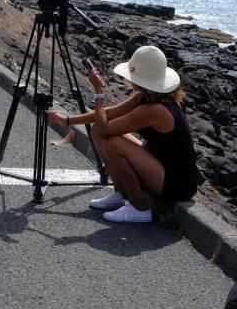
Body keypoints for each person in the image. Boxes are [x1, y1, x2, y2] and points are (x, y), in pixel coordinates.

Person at [48, 45, 202, 224]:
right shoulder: (147, 97)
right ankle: (120, 194)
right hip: (160, 164)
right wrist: (66, 120)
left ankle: (139, 208)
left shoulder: (156, 110)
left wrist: (99, 91)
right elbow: (108, 115)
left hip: (176, 182)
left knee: (113, 143)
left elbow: (106, 127)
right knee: (97, 132)